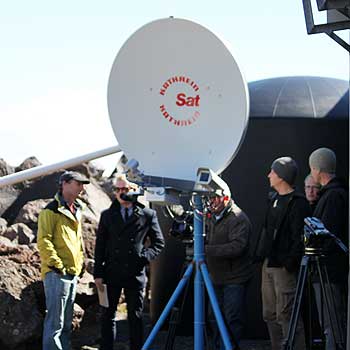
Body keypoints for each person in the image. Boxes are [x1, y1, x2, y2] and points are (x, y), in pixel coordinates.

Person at [94, 175, 165, 350]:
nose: (120, 193)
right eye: (117, 189)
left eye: (124, 189)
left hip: (135, 274)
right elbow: (100, 246)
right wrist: (98, 274)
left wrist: (143, 256)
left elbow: (159, 243)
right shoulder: (107, 215)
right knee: (108, 316)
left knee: (135, 316)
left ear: (133, 190)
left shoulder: (147, 214)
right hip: (111, 273)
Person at [258, 157, 310, 350]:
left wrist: (289, 263)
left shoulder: (299, 204)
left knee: (287, 314)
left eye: (273, 171)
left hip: (283, 268)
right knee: (269, 314)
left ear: (282, 176)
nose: (269, 175)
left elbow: (299, 238)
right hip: (269, 264)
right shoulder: (273, 199)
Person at [37, 170, 90, 350]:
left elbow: (77, 240)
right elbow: (44, 240)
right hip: (57, 274)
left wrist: (80, 263)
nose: (82, 187)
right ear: (65, 183)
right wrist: (57, 265)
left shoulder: (77, 209)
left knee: (66, 324)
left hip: (72, 273)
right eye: (79, 183)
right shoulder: (51, 210)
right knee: (55, 323)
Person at [205, 184, 254, 349]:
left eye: (215, 198)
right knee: (213, 316)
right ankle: (218, 346)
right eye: (210, 198)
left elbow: (237, 247)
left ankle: (229, 347)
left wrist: (206, 250)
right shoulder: (211, 215)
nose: (212, 202)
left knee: (232, 318)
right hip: (215, 276)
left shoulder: (238, 218)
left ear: (226, 198)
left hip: (235, 278)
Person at [309, 147, 348, 349]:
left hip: (329, 271)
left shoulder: (332, 197)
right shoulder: (334, 194)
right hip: (329, 271)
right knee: (332, 323)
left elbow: (327, 235)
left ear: (317, 169)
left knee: (331, 324)